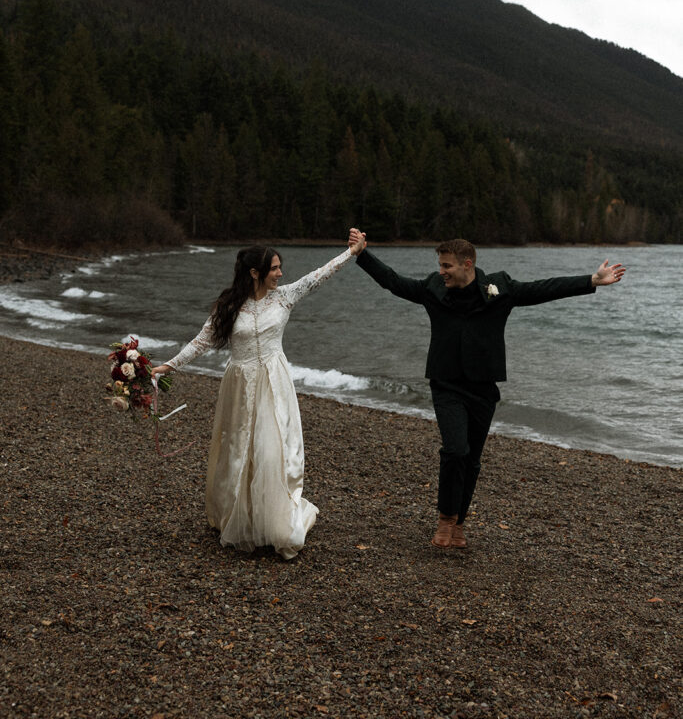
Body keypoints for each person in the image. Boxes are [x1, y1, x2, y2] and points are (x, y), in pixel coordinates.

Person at [347, 229, 625, 551]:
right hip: (446, 384)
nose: (442, 272)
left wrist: (590, 280)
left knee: (473, 460)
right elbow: (393, 282)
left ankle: (460, 521)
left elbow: (542, 289)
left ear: (467, 264)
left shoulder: (499, 289)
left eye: (447, 266)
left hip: (482, 389)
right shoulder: (433, 289)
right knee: (455, 450)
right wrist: (362, 255)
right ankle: (445, 518)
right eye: (440, 265)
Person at [151, 240, 363, 560]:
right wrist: (168, 366)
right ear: (255, 273)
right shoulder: (229, 306)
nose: (280, 273)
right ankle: (242, 516)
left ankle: (274, 520)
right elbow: (201, 342)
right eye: (274, 268)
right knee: (239, 451)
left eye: (279, 267)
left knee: (269, 449)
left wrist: (352, 253)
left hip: (274, 384)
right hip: (239, 385)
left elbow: (320, 275)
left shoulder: (286, 296)